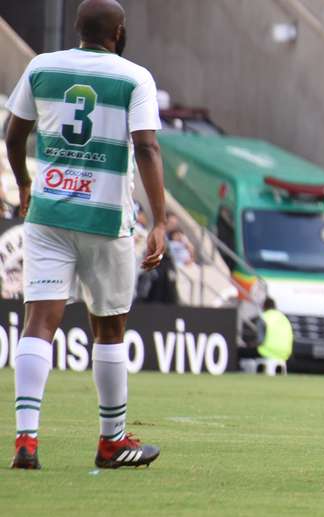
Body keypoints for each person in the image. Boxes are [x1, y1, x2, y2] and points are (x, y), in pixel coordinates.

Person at [4, 0, 166, 469]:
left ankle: (26, 440)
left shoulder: (41, 67)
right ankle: (112, 441)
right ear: (118, 32)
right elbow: (148, 147)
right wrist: (158, 220)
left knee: (39, 322)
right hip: (105, 219)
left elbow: (13, 135)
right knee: (110, 328)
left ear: (77, 28)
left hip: (50, 214)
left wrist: (25, 183)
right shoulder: (135, 77)